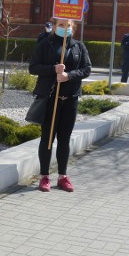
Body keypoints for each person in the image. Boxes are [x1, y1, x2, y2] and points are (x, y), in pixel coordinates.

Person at [28, 17, 92, 192]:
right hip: (50, 99)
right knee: (47, 139)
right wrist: (52, 70)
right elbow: (33, 67)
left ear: (74, 28)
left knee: (64, 139)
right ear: (55, 26)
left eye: (68, 26)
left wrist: (68, 76)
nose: (65, 28)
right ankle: (44, 176)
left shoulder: (79, 46)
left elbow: (87, 69)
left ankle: (63, 176)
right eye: (61, 25)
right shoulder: (45, 44)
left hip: (70, 99)